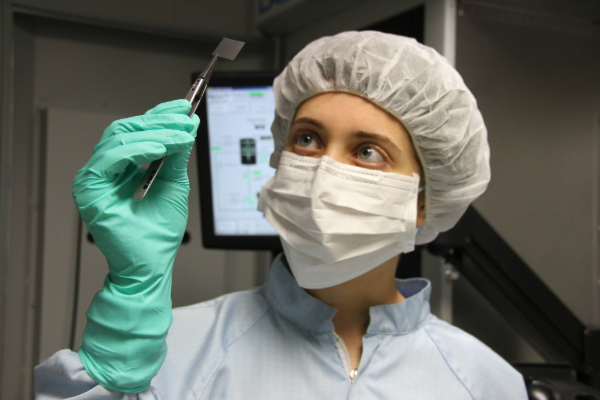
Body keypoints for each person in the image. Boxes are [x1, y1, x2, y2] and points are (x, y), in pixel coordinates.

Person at [35, 31, 528, 399]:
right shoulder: (174, 352)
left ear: (424, 199)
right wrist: (131, 295)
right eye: (308, 139)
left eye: (368, 151)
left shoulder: (485, 382)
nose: (321, 175)